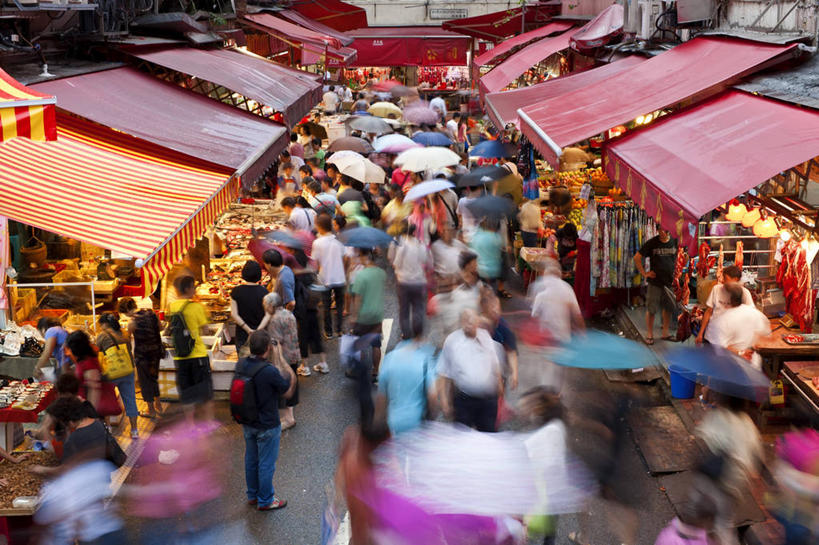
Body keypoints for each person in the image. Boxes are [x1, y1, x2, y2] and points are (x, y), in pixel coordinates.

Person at [236, 330, 296, 511]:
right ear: (268, 348)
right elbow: (288, 390)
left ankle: (252, 495)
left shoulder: (241, 364)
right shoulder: (269, 371)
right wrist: (282, 360)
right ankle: (266, 500)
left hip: (248, 421)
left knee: (251, 459)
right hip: (267, 424)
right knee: (266, 463)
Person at [437, 309, 502, 432]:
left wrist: (499, 385)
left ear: (477, 322)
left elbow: (494, 363)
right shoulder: (453, 341)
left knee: (488, 437)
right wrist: (445, 401)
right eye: (465, 321)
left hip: (487, 401)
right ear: (461, 322)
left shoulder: (485, 337)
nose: (468, 324)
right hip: (464, 401)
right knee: (462, 438)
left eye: (472, 321)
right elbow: (443, 372)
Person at [169, 275, 214, 422]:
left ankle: (191, 425)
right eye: (193, 286)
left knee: (187, 393)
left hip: (180, 356)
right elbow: (206, 329)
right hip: (198, 355)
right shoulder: (196, 307)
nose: (195, 289)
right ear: (188, 288)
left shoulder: (172, 306)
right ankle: (208, 422)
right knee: (205, 392)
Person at [375, 329, 436, 435]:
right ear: (419, 338)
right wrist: (431, 418)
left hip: (395, 423)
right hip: (417, 422)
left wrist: (378, 421)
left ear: (401, 337)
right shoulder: (424, 359)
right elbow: (433, 396)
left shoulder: (389, 359)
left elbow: (381, 398)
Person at [258, 292, 301, 429]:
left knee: (283, 387)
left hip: (283, 357)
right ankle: (290, 417)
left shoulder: (275, 319)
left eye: (265, 305)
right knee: (292, 385)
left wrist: (274, 361)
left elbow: (275, 342)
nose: (265, 308)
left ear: (271, 305)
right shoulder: (289, 313)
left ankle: (288, 419)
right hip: (294, 353)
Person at [117, 297, 163, 419]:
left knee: (145, 382)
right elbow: (160, 327)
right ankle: (159, 404)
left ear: (126, 310)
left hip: (143, 356)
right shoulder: (151, 312)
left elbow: (127, 338)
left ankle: (151, 410)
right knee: (154, 378)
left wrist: (122, 332)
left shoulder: (132, 322)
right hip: (156, 352)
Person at [96, 312, 140, 439]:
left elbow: (97, 351)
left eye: (101, 325)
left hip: (112, 373)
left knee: (107, 399)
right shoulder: (125, 333)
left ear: (105, 324)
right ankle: (134, 430)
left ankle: (108, 427)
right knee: (130, 400)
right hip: (128, 370)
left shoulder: (103, 336)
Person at [708, 282, 770, 369]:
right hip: (752, 364)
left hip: (731, 368)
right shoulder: (755, 313)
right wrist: (751, 344)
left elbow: (721, 348)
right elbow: (764, 333)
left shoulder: (721, 321)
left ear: (727, 300)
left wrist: (741, 353)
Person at [634, 227, 678, 344]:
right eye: (662, 230)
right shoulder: (652, 242)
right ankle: (649, 334)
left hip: (669, 281)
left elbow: (679, 256)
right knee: (652, 308)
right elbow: (637, 257)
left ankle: (665, 333)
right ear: (658, 231)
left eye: (666, 230)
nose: (664, 233)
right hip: (655, 282)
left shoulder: (674, 241)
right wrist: (645, 273)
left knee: (668, 307)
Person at [389, 223, 432, 340]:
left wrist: (396, 268)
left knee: (404, 309)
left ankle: (406, 333)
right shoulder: (420, 244)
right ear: (414, 232)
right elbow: (426, 260)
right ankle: (418, 332)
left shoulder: (398, 242)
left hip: (403, 281)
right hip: (418, 281)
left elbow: (392, 260)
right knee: (418, 307)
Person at [696, 265, 754, 345]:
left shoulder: (744, 293)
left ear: (735, 279)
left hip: (731, 340)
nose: (723, 281)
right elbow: (708, 311)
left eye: (726, 279)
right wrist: (700, 333)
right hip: (712, 336)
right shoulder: (716, 289)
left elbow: (751, 316)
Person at [350, 248, 386, 375]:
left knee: (358, 343)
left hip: (364, 316)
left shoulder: (361, 276)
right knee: (376, 344)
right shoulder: (381, 273)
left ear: (365, 258)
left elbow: (357, 299)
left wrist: (354, 317)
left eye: (360, 256)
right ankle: (375, 370)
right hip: (377, 315)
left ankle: (358, 371)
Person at [311, 214, 347, 339]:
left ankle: (329, 331)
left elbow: (315, 262)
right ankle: (340, 330)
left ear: (320, 227)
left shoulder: (317, 243)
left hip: (325, 277)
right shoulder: (339, 240)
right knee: (340, 304)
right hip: (339, 276)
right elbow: (344, 257)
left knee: (326, 306)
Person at [230, 261, 269, 355]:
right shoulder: (265, 292)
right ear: (259, 275)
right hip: (260, 334)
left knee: (244, 361)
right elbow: (268, 315)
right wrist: (257, 331)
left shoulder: (236, 291)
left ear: (243, 274)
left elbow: (234, 314)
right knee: (260, 360)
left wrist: (248, 330)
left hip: (242, 333)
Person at [481, 292, 518, 390]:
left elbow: (511, 351)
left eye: (497, 307)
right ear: (484, 309)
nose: (495, 310)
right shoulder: (477, 326)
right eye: (492, 307)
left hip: (499, 373)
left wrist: (514, 373)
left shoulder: (504, 327)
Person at [65, 330, 104, 412]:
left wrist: (90, 414)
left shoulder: (89, 364)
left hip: (87, 408)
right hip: (83, 404)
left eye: (69, 349)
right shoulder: (84, 359)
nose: (68, 353)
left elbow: (94, 391)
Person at [469, 218, 504, 291]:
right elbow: (500, 253)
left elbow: (471, 251)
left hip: (479, 270)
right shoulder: (496, 237)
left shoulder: (476, 237)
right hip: (493, 270)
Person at [431, 223, 468, 289]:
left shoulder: (457, 243)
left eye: (450, 230)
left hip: (460, 282)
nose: (449, 232)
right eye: (446, 230)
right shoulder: (435, 246)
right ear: (440, 233)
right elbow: (430, 264)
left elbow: (468, 254)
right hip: (446, 283)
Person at [263, 249, 296, 313]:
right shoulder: (286, 268)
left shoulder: (283, 280)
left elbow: (292, 303)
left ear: (269, 265)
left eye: (265, 263)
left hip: (281, 314)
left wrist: (285, 314)